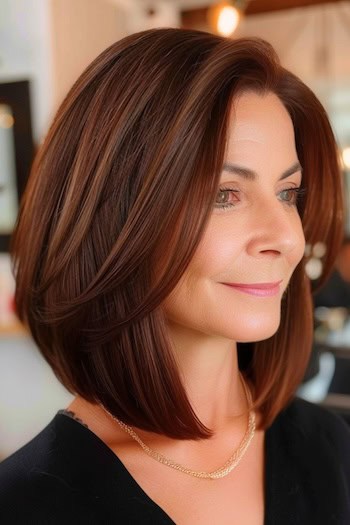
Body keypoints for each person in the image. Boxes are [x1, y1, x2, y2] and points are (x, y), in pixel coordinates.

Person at [0, 28, 349, 525]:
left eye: (288, 193)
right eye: (224, 194)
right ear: (115, 218)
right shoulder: (29, 504)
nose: (287, 238)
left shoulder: (330, 451)